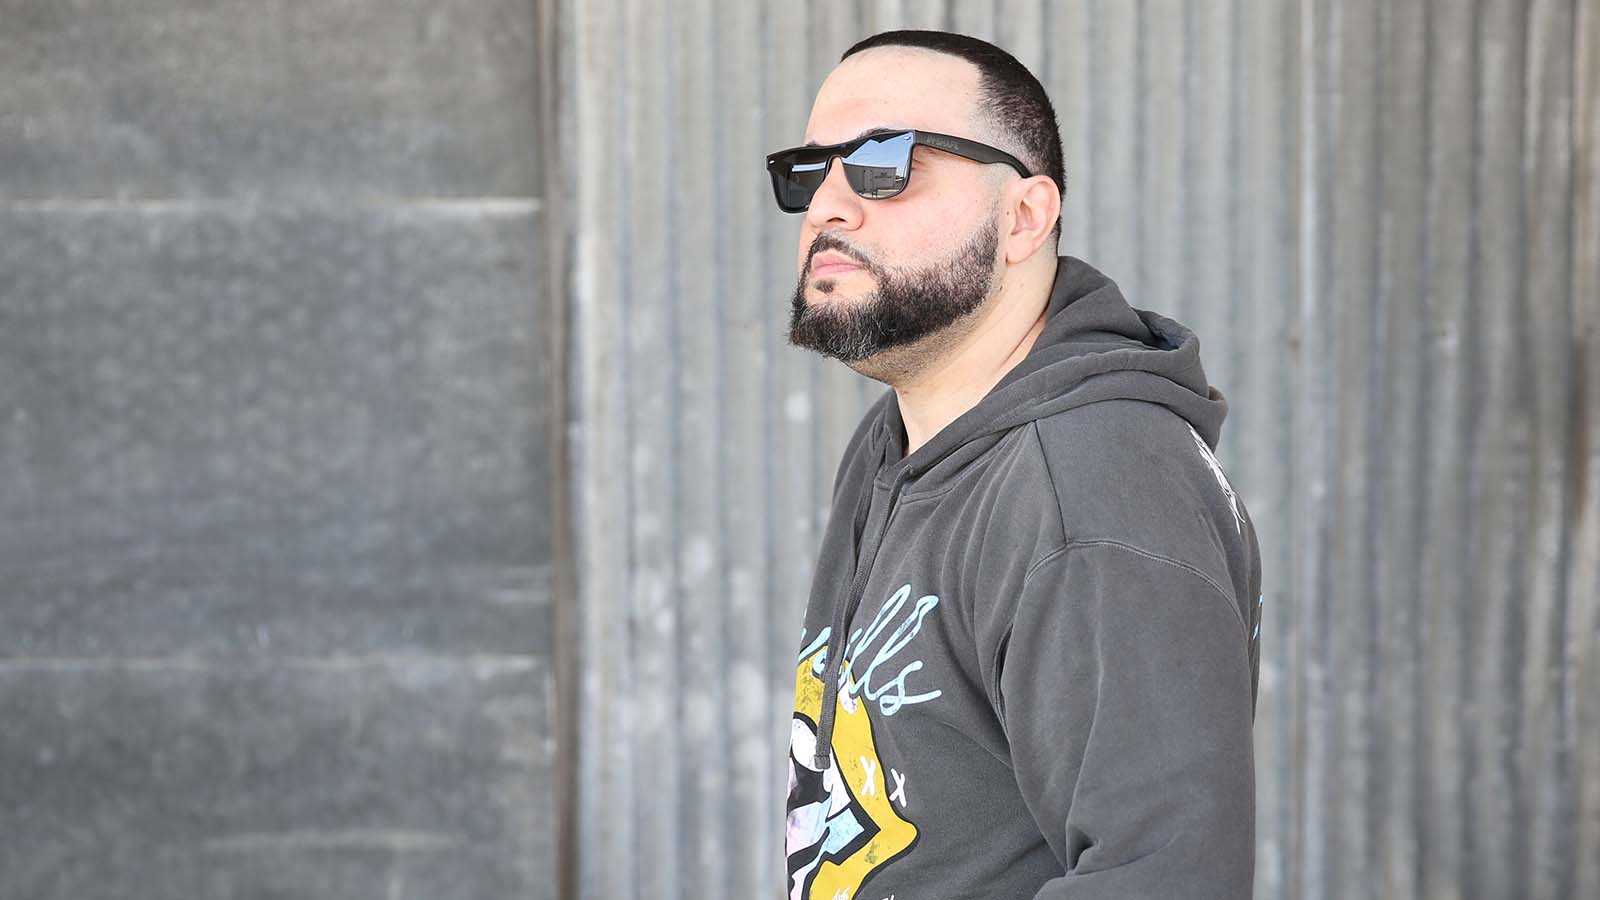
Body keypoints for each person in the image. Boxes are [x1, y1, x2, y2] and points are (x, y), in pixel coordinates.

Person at [768, 29, 1263, 900]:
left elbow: (1161, 879)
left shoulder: (1091, 489)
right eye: (813, 171)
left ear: (1025, 217)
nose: (830, 207)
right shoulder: (899, 438)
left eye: (886, 162)